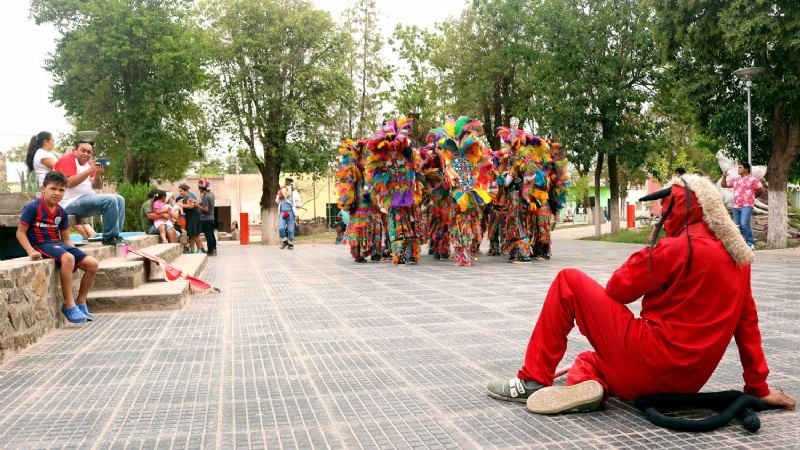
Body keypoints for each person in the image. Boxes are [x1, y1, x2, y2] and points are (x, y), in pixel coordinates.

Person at [486, 174, 795, 415]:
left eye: (665, 204)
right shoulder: (739, 261)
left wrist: (650, 253)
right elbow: (748, 328)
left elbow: (617, 290)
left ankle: (533, 379)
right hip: (685, 384)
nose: (660, 211)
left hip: (650, 360)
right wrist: (758, 387)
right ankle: (590, 382)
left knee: (569, 281)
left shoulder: (676, 249)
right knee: (589, 360)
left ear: (681, 207)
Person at [16, 171, 100, 324]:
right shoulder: (33, 207)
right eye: (53, 189)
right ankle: (68, 304)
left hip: (58, 244)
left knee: (92, 263)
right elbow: (20, 233)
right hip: (41, 244)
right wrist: (30, 251)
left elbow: (66, 239)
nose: (57, 193)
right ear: (43, 189)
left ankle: (81, 302)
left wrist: (78, 256)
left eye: (61, 190)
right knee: (68, 258)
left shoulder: (61, 212)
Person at [53, 138, 126, 246]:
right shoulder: (67, 160)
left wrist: (97, 174)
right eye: (83, 150)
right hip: (69, 202)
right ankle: (109, 238)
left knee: (119, 199)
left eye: (89, 152)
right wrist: (89, 171)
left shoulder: (89, 164)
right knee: (110, 200)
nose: (86, 154)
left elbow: (97, 186)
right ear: (75, 150)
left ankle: (115, 236)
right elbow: (68, 183)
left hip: (86, 199)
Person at [721, 162, 764, 249]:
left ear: (746, 169)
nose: (738, 169)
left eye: (740, 167)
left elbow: (761, 190)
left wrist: (753, 197)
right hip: (736, 206)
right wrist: (724, 176)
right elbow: (724, 185)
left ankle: (750, 243)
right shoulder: (736, 180)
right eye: (738, 168)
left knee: (744, 224)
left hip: (747, 205)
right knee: (737, 226)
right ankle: (739, 244)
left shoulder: (753, 179)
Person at [275, 177, 301, 249]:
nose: (287, 183)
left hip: (291, 213)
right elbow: (277, 201)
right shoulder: (281, 191)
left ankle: (290, 244)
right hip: (282, 212)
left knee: (290, 229)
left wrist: (297, 214)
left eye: (289, 182)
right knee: (281, 228)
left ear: (291, 183)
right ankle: (284, 241)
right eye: (286, 182)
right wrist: (279, 197)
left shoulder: (294, 192)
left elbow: (298, 203)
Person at [178, 183, 202, 253]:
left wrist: (181, 205)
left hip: (194, 218)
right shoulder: (185, 197)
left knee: (195, 234)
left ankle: (199, 250)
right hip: (190, 218)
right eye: (179, 191)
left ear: (186, 191)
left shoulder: (189, 197)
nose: (180, 193)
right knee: (191, 234)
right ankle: (192, 250)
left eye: (181, 191)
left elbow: (191, 206)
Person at [198, 179, 217, 256]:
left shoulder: (205, 197)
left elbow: (206, 209)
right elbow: (205, 203)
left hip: (206, 219)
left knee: (208, 235)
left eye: (199, 187)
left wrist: (197, 206)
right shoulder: (211, 194)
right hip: (211, 218)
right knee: (212, 234)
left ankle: (210, 251)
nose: (198, 188)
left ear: (201, 188)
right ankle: (214, 249)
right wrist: (197, 202)